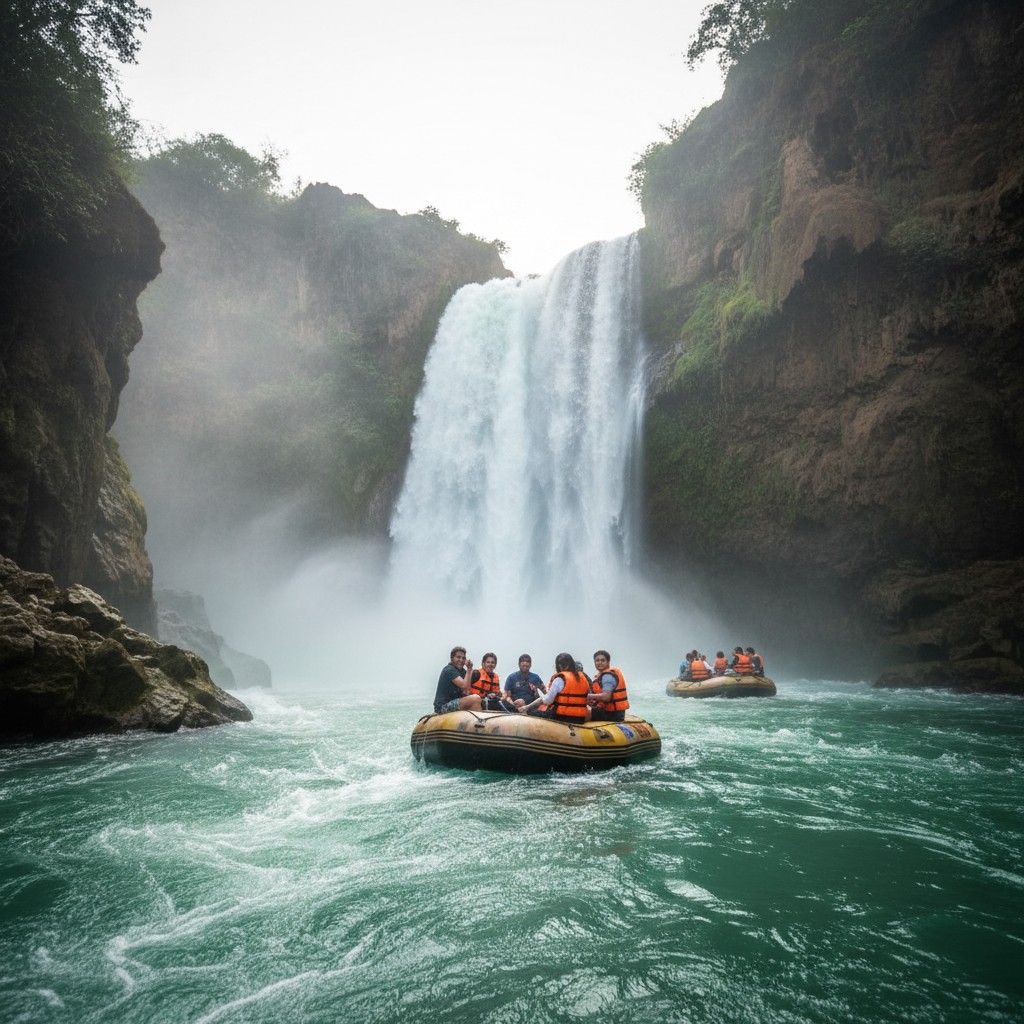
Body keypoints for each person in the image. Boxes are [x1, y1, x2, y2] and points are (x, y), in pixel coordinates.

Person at [519, 653, 590, 723]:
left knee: (532, 713)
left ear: (559, 665)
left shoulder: (560, 679)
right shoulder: (583, 678)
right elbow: (586, 695)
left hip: (563, 717)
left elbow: (548, 700)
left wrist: (527, 707)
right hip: (580, 718)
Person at [432, 646, 482, 714]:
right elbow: (464, 686)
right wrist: (469, 669)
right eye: (458, 657)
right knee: (475, 698)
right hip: (443, 707)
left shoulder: (462, 672)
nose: (461, 660)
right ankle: (481, 720)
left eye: (463, 658)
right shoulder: (449, 670)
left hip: (455, 702)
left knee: (478, 700)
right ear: (452, 658)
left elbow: (467, 689)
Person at [587, 650, 630, 722]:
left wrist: (588, 696)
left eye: (602, 660)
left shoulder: (607, 677)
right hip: (610, 711)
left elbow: (606, 697)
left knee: (581, 711)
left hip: (612, 714)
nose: (600, 662)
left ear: (608, 662)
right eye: (597, 660)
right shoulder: (601, 676)